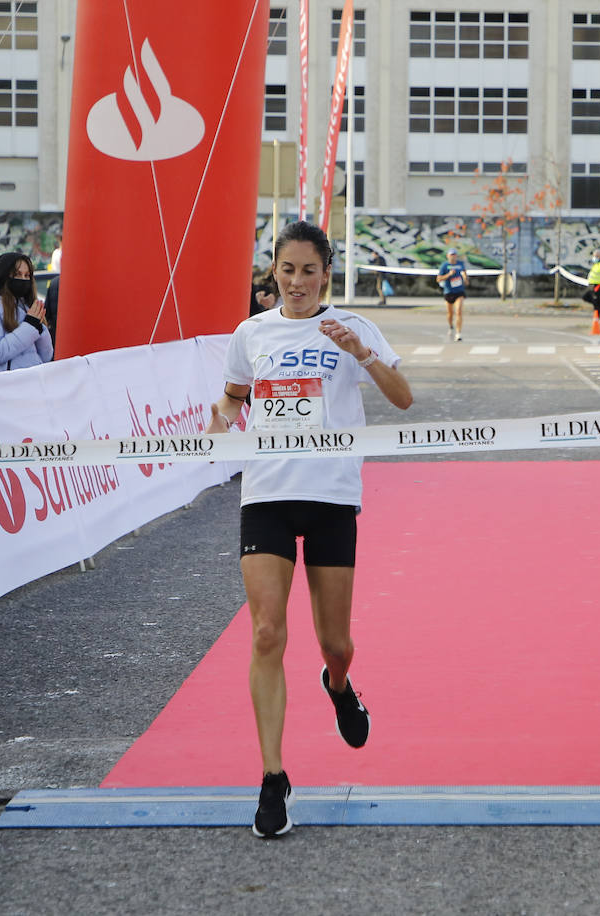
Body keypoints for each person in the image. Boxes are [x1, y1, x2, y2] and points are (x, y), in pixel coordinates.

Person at [204, 220, 412, 838]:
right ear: (274, 271)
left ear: (326, 274)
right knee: (267, 632)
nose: (296, 282)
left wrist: (361, 353)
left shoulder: (351, 327)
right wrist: (217, 423)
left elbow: (403, 399)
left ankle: (340, 684)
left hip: (330, 497)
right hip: (266, 494)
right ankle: (273, 778)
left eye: (308, 271)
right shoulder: (251, 333)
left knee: (334, 643)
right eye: (286, 270)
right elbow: (234, 399)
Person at [0, 252, 53, 373]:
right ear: (3, 277)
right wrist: (30, 326)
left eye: (27, 275)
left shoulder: (26, 308)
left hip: (31, 383)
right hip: (3, 385)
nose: (23, 280)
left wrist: (39, 328)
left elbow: (46, 357)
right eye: (17, 274)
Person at [437, 248, 467, 341]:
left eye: (454, 255)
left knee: (458, 311)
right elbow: (438, 279)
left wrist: (465, 278)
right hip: (448, 291)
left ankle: (458, 333)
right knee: (450, 313)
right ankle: (451, 326)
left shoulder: (460, 264)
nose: (453, 257)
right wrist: (449, 275)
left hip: (459, 291)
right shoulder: (444, 266)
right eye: (451, 255)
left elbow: (465, 275)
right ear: (448, 256)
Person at [583, 249, 600, 317]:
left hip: (599, 285)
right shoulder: (596, 264)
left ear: (599, 256)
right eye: (594, 256)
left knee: (596, 300)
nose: (594, 257)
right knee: (586, 297)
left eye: (596, 256)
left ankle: (597, 317)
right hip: (592, 284)